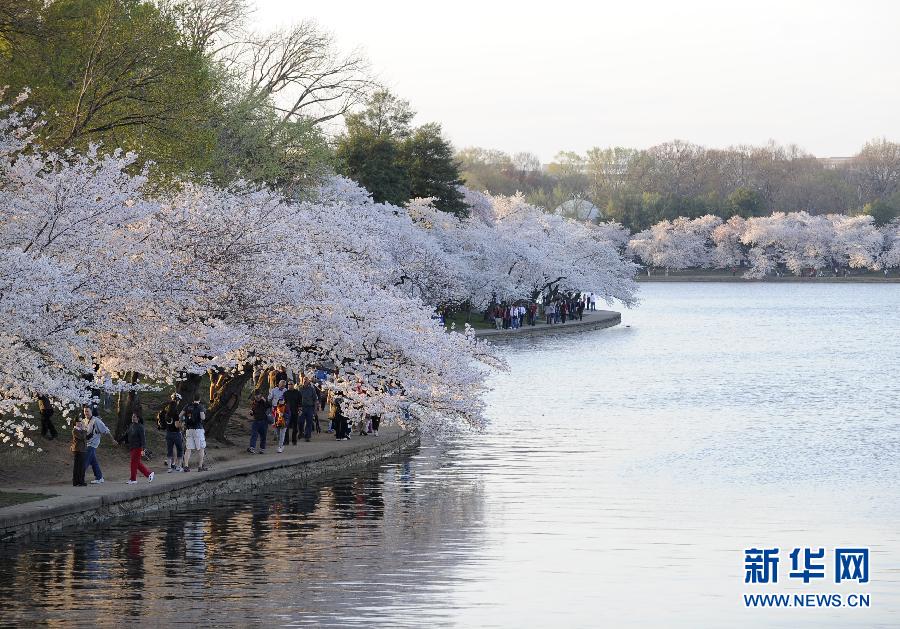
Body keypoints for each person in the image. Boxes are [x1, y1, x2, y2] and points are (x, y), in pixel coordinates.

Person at [83, 406, 110, 484]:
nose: (86, 413)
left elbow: (106, 430)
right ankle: (99, 477)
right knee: (93, 461)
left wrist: (112, 440)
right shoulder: (84, 420)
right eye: (85, 411)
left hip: (93, 444)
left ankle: (79, 477)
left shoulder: (96, 421)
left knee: (85, 460)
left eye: (87, 411)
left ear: (91, 412)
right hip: (87, 443)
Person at [181, 394, 207, 471]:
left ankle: (186, 466)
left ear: (193, 399)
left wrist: (184, 421)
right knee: (201, 448)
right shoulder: (200, 406)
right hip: (198, 429)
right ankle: (200, 466)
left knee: (188, 448)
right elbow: (202, 417)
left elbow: (180, 415)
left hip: (189, 430)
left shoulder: (187, 406)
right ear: (199, 399)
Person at [126, 412, 153, 484]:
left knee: (133, 463)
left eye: (134, 417)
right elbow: (126, 434)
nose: (132, 418)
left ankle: (133, 479)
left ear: (138, 418)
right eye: (132, 416)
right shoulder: (131, 425)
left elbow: (143, 439)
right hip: (132, 447)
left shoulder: (140, 427)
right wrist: (118, 441)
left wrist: (143, 449)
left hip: (138, 447)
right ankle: (149, 474)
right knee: (137, 463)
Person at [160, 396, 185, 473]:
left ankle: (169, 468)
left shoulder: (166, 414)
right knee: (180, 449)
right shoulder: (175, 414)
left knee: (169, 450)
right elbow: (177, 425)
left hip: (168, 433)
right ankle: (179, 466)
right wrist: (182, 425)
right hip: (176, 434)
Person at [299, 376, 319, 442]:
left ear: (308, 382)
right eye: (304, 380)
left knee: (309, 422)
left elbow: (315, 399)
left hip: (309, 408)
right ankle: (301, 432)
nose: (305, 381)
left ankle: (307, 436)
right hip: (301, 408)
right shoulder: (299, 389)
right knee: (301, 422)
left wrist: (315, 409)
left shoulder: (312, 389)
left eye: (306, 380)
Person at [71, 418, 87, 487]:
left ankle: (80, 481)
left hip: (82, 450)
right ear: (75, 423)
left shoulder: (80, 430)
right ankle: (77, 481)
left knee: (81, 466)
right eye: (78, 422)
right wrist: (84, 430)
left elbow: (85, 437)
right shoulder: (75, 430)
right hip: (78, 450)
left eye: (80, 422)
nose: (80, 423)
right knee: (78, 466)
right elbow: (82, 437)